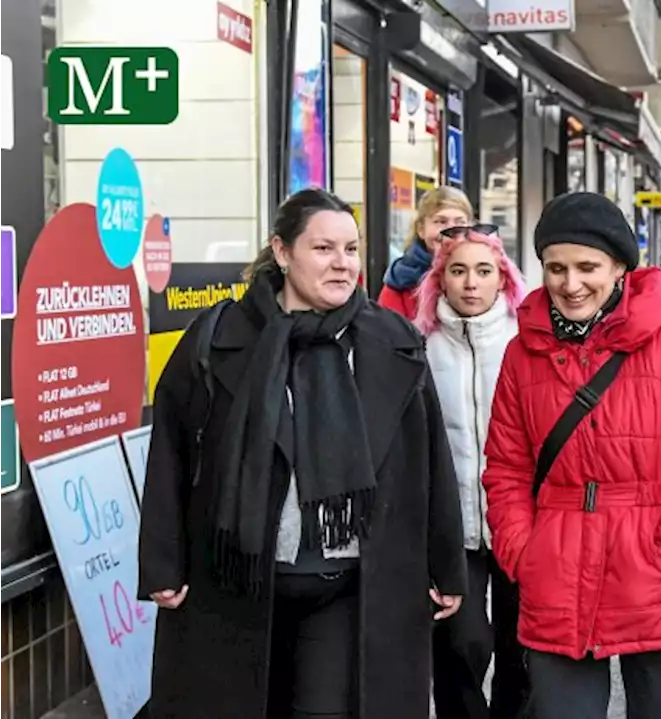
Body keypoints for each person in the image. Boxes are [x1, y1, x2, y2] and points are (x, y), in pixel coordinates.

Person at [138, 188, 468, 718]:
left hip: (349, 588)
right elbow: (171, 452)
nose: (342, 264)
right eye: (323, 249)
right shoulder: (220, 335)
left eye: (351, 249)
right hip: (236, 581)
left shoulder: (391, 340)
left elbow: (429, 461)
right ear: (283, 250)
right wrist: (161, 561)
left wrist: (446, 565)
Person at [482, 192, 661, 719]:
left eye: (587, 267)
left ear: (620, 267)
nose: (570, 284)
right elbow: (506, 467)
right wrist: (521, 550)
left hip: (654, 566)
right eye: (556, 268)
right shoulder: (522, 350)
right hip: (556, 566)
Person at [413, 225, 530, 718]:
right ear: (441, 279)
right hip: (452, 526)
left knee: (520, 647)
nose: (471, 283)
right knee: (462, 643)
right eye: (458, 271)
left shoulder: (526, 343)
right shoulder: (419, 347)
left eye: (484, 271)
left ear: (502, 279)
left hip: (518, 521)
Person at [378, 186, 473, 320]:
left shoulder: (488, 274)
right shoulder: (400, 280)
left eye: (460, 222)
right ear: (421, 229)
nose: (451, 230)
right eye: (441, 221)